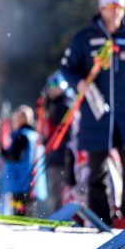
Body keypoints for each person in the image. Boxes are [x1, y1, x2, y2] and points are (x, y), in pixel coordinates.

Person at [60, 0, 125, 223]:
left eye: (119, 6)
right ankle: (101, 220)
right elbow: (67, 68)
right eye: (111, 6)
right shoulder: (84, 37)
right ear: (101, 8)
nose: (115, 11)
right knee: (96, 171)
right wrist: (79, 83)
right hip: (96, 115)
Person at [38, 71, 77, 210]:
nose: (52, 89)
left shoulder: (65, 105)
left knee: (61, 186)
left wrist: (49, 142)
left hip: (62, 155)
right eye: (50, 86)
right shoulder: (51, 106)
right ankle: (58, 212)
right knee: (55, 186)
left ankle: (63, 214)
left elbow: (66, 134)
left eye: (55, 86)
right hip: (53, 153)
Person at [0, 106, 47, 216]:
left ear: (21, 119)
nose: (13, 122)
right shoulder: (34, 135)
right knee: (28, 213)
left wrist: (2, 151)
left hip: (20, 183)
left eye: (15, 119)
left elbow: (16, 157)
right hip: (32, 183)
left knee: (19, 214)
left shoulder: (21, 136)